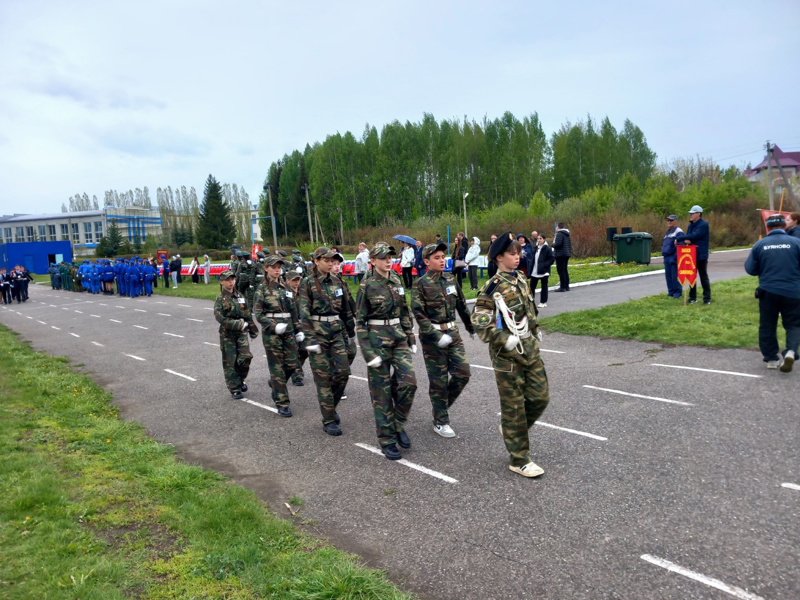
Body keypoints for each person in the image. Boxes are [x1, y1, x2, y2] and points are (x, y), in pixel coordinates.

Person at [471, 232, 549, 478]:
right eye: (512, 254)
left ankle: (510, 430)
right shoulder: (492, 287)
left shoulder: (522, 279)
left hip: (530, 349)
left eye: (519, 253)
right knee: (514, 407)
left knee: (540, 398)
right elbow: (481, 323)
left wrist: (534, 331)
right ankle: (519, 458)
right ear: (498, 257)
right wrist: (506, 339)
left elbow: (528, 309)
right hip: (507, 356)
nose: (518, 257)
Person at [356, 243, 417, 460]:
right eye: (383, 257)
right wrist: (367, 352)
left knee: (409, 382)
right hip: (376, 340)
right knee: (381, 393)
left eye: (390, 256)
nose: (388, 260)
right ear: (372, 261)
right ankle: (387, 439)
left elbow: (404, 311)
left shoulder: (396, 280)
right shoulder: (367, 286)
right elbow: (360, 322)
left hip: (398, 337)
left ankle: (398, 424)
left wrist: (411, 336)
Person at [411, 242, 475, 438]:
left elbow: (462, 305)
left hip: (453, 333)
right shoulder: (420, 284)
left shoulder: (450, 279)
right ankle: (441, 420)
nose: (441, 260)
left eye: (443, 257)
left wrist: (471, 327)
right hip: (432, 337)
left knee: (463, 373)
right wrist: (436, 336)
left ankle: (440, 407)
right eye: (436, 257)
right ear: (426, 261)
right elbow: (419, 314)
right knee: (438, 380)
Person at [298, 247, 354, 436]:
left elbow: (345, 309)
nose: (331, 263)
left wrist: (351, 332)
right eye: (327, 260)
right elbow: (303, 312)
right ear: (316, 261)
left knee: (343, 373)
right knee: (323, 378)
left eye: (333, 260)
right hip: (318, 334)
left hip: (337, 332)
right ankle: (328, 419)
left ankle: (330, 405)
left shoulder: (337, 281)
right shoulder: (307, 283)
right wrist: (310, 337)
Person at [744, 213, 800, 372]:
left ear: (767, 227)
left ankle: (771, 359)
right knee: (794, 324)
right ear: (784, 226)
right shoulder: (796, 243)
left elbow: (750, 269)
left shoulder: (760, 245)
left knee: (767, 325)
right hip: (793, 291)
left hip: (768, 291)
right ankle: (790, 351)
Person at [253, 255, 302, 416]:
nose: (277, 269)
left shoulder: (285, 287)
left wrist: (298, 329)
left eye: (279, 266)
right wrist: (273, 326)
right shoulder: (262, 289)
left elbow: (293, 310)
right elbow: (258, 314)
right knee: (277, 367)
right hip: (272, 332)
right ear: (266, 268)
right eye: (273, 266)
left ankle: (275, 384)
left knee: (293, 363)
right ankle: (282, 402)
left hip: (288, 329)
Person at [213, 269, 259, 399]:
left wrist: (253, 329)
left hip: (242, 333)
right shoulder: (220, 299)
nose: (231, 282)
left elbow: (247, 314)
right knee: (230, 362)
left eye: (232, 279)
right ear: (221, 282)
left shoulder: (241, 297)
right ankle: (234, 388)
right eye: (227, 280)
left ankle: (240, 379)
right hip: (227, 334)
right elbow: (220, 318)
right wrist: (237, 324)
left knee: (246, 357)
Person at [676, 205, 711, 304]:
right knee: (692, 276)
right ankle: (692, 297)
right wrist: (687, 240)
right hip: (691, 254)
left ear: (698, 214)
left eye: (692, 213)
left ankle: (707, 298)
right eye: (690, 213)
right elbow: (689, 238)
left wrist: (680, 238)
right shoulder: (690, 225)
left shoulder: (703, 224)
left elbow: (694, 236)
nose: (690, 215)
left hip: (701, 254)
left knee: (703, 276)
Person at [285, 270, 308, 386]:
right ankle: (297, 375)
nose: (296, 282)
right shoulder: (284, 293)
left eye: (298, 279)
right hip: (289, 325)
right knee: (293, 350)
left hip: (302, 325)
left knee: (304, 350)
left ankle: (291, 370)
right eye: (294, 280)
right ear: (287, 280)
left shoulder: (302, 292)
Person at [661, 215, 684, 299]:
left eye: (671, 220)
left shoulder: (678, 232)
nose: (669, 222)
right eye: (668, 220)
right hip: (667, 256)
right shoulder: (668, 232)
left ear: (676, 221)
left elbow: (681, 246)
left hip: (673, 257)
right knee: (668, 276)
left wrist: (675, 257)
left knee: (675, 276)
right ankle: (670, 292)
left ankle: (677, 293)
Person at [530, 234, 554, 308]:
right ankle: (531, 301)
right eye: (538, 239)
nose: (539, 240)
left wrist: (544, 265)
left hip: (544, 271)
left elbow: (551, 259)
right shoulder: (535, 248)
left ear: (544, 239)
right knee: (531, 287)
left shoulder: (547, 249)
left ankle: (543, 302)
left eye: (540, 238)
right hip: (534, 271)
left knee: (544, 287)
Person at [552, 223, 572, 292]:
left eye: (556, 227)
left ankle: (562, 287)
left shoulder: (560, 234)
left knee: (561, 270)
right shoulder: (567, 234)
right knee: (565, 270)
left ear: (558, 227)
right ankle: (567, 286)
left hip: (560, 254)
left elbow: (558, 244)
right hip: (566, 254)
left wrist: (552, 244)